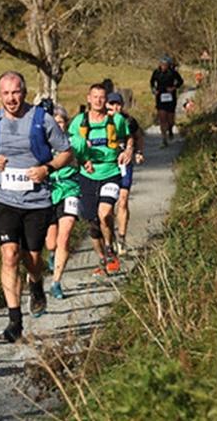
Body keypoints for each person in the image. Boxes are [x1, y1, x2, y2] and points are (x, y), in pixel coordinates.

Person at [0, 72, 75, 343]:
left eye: (15, 92)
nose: (11, 98)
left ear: (25, 92)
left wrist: (46, 168)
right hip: (4, 199)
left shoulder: (42, 120)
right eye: (5, 93)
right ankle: (14, 322)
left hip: (37, 200)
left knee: (31, 259)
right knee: (9, 255)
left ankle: (36, 283)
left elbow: (67, 152)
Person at [69, 83, 133, 278]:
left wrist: (129, 150)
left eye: (102, 97)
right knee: (92, 222)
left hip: (111, 171)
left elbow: (129, 137)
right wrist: (82, 159)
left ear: (106, 100)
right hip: (87, 175)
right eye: (95, 97)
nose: (98, 100)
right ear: (88, 98)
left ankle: (109, 248)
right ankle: (102, 257)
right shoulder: (79, 121)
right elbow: (68, 146)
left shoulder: (117, 119)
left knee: (104, 214)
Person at [44, 104, 85, 300]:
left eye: (61, 122)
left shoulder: (76, 142)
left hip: (70, 189)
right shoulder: (43, 143)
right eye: (54, 122)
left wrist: (87, 164)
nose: (58, 126)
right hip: (49, 190)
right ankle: (52, 254)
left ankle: (56, 282)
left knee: (64, 237)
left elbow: (86, 159)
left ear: (66, 123)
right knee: (51, 242)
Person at [106, 90, 144, 256]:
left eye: (118, 104)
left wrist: (138, 152)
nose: (115, 107)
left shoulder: (129, 120)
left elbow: (137, 137)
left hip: (124, 164)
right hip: (106, 166)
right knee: (108, 205)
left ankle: (121, 239)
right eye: (112, 104)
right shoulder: (100, 121)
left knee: (122, 201)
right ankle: (109, 237)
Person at [149, 56, 184, 148]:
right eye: (162, 64)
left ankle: (171, 129)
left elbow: (180, 81)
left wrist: (173, 88)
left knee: (170, 120)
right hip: (160, 97)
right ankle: (164, 139)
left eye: (165, 65)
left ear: (168, 65)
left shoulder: (173, 73)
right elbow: (152, 83)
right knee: (162, 118)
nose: (163, 66)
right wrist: (154, 91)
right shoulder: (156, 73)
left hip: (171, 98)